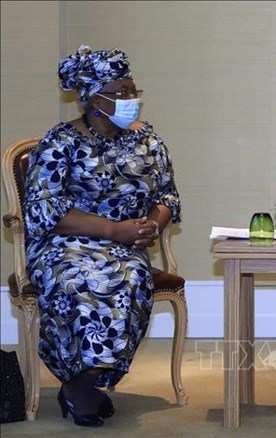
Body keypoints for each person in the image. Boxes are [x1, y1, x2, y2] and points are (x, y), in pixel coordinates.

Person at [23, 45, 182, 427]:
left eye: (133, 91)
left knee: (129, 280)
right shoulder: (59, 143)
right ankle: (82, 385)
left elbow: (168, 197)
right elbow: (44, 210)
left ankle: (83, 383)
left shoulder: (147, 141)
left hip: (126, 248)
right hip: (64, 245)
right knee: (80, 280)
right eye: (122, 93)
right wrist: (114, 229)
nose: (132, 100)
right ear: (95, 99)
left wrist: (151, 225)